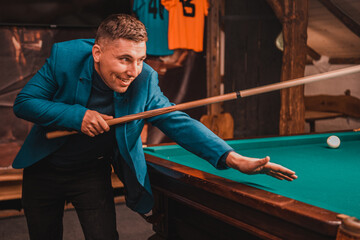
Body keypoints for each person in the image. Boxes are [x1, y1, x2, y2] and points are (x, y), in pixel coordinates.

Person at [13, 14, 297, 240]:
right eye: (124, 59)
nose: (132, 71)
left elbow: (176, 121)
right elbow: (25, 102)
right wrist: (77, 116)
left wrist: (233, 159)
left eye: (140, 60)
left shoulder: (144, 79)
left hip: (91, 172)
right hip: (44, 169)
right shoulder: (66, 58)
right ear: (97, 53)